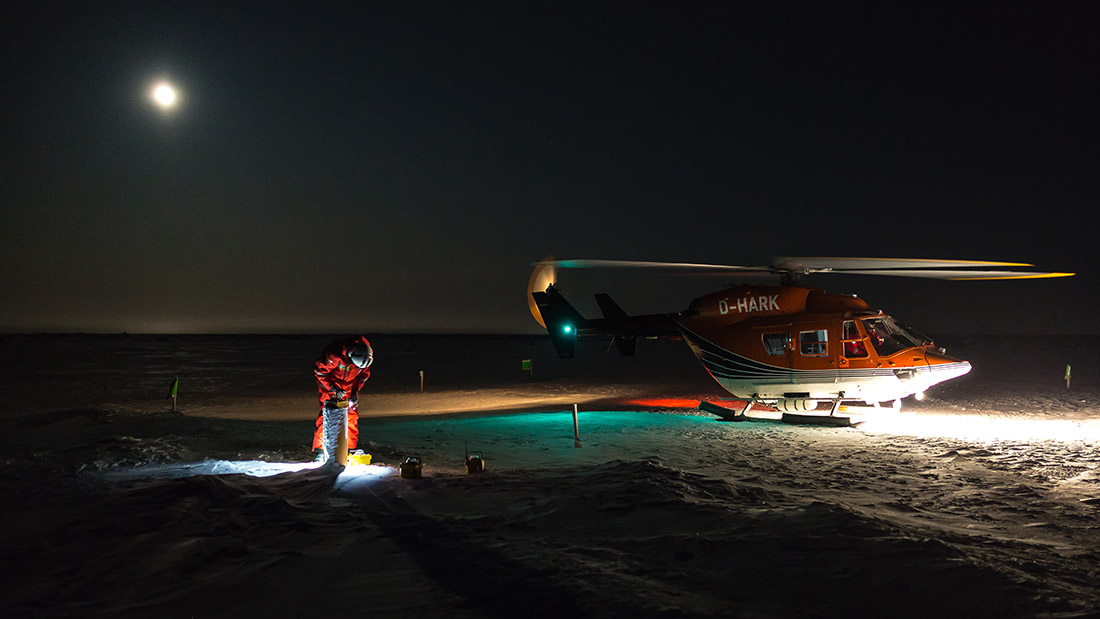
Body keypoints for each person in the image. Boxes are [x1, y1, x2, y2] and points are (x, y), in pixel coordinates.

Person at [312, 335, 373, 460]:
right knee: (327, 414)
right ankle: (320, 450)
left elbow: (363, 376)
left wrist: (355, 391)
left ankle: (349, 449)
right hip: (330, 383)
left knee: (351, 414)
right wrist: (333, 388)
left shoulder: (364, 358)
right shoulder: (335, 355)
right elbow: (320, 372)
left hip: (349, 385)